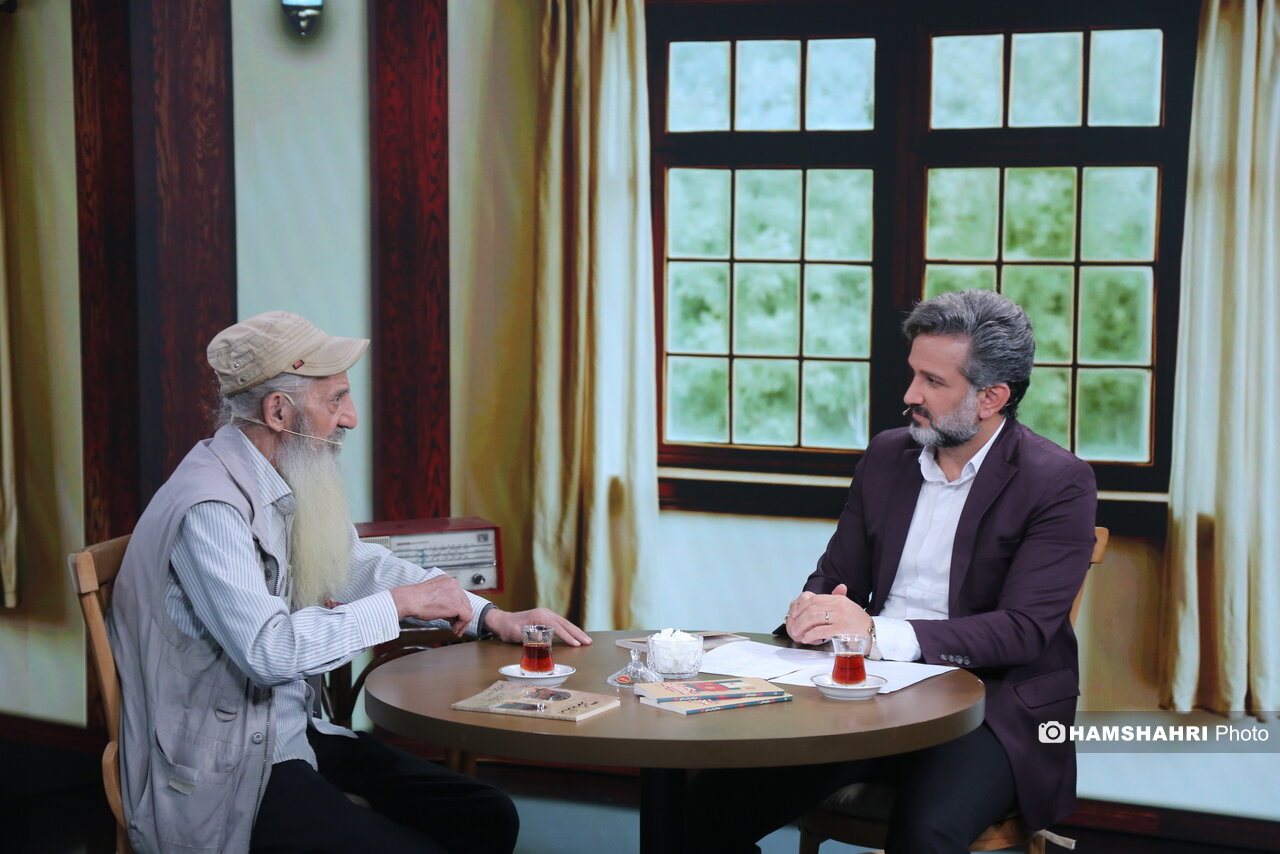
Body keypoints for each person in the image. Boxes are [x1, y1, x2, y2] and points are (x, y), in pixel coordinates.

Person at [107, 310, 592, 854]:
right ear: (278, 411)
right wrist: (398, 604)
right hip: (230, 764)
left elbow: (357, 565)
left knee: (486, 814)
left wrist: (487, 615)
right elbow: (269, 652)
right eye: (336, 399)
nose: (352, 418)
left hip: (289, 733)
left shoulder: (278, 472)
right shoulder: (211, 507)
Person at [687, 290, 1097, 853]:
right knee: (705, 807)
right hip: (866, 689)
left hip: (991, 706)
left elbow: (1022, 631)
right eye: (913, 374)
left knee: (925, 831)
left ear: (991, 398)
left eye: (933, 381)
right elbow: (836, 578)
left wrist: (876, 634)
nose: (910, 395)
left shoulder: (1057, 481)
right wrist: (815, 612)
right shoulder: (887, 455)